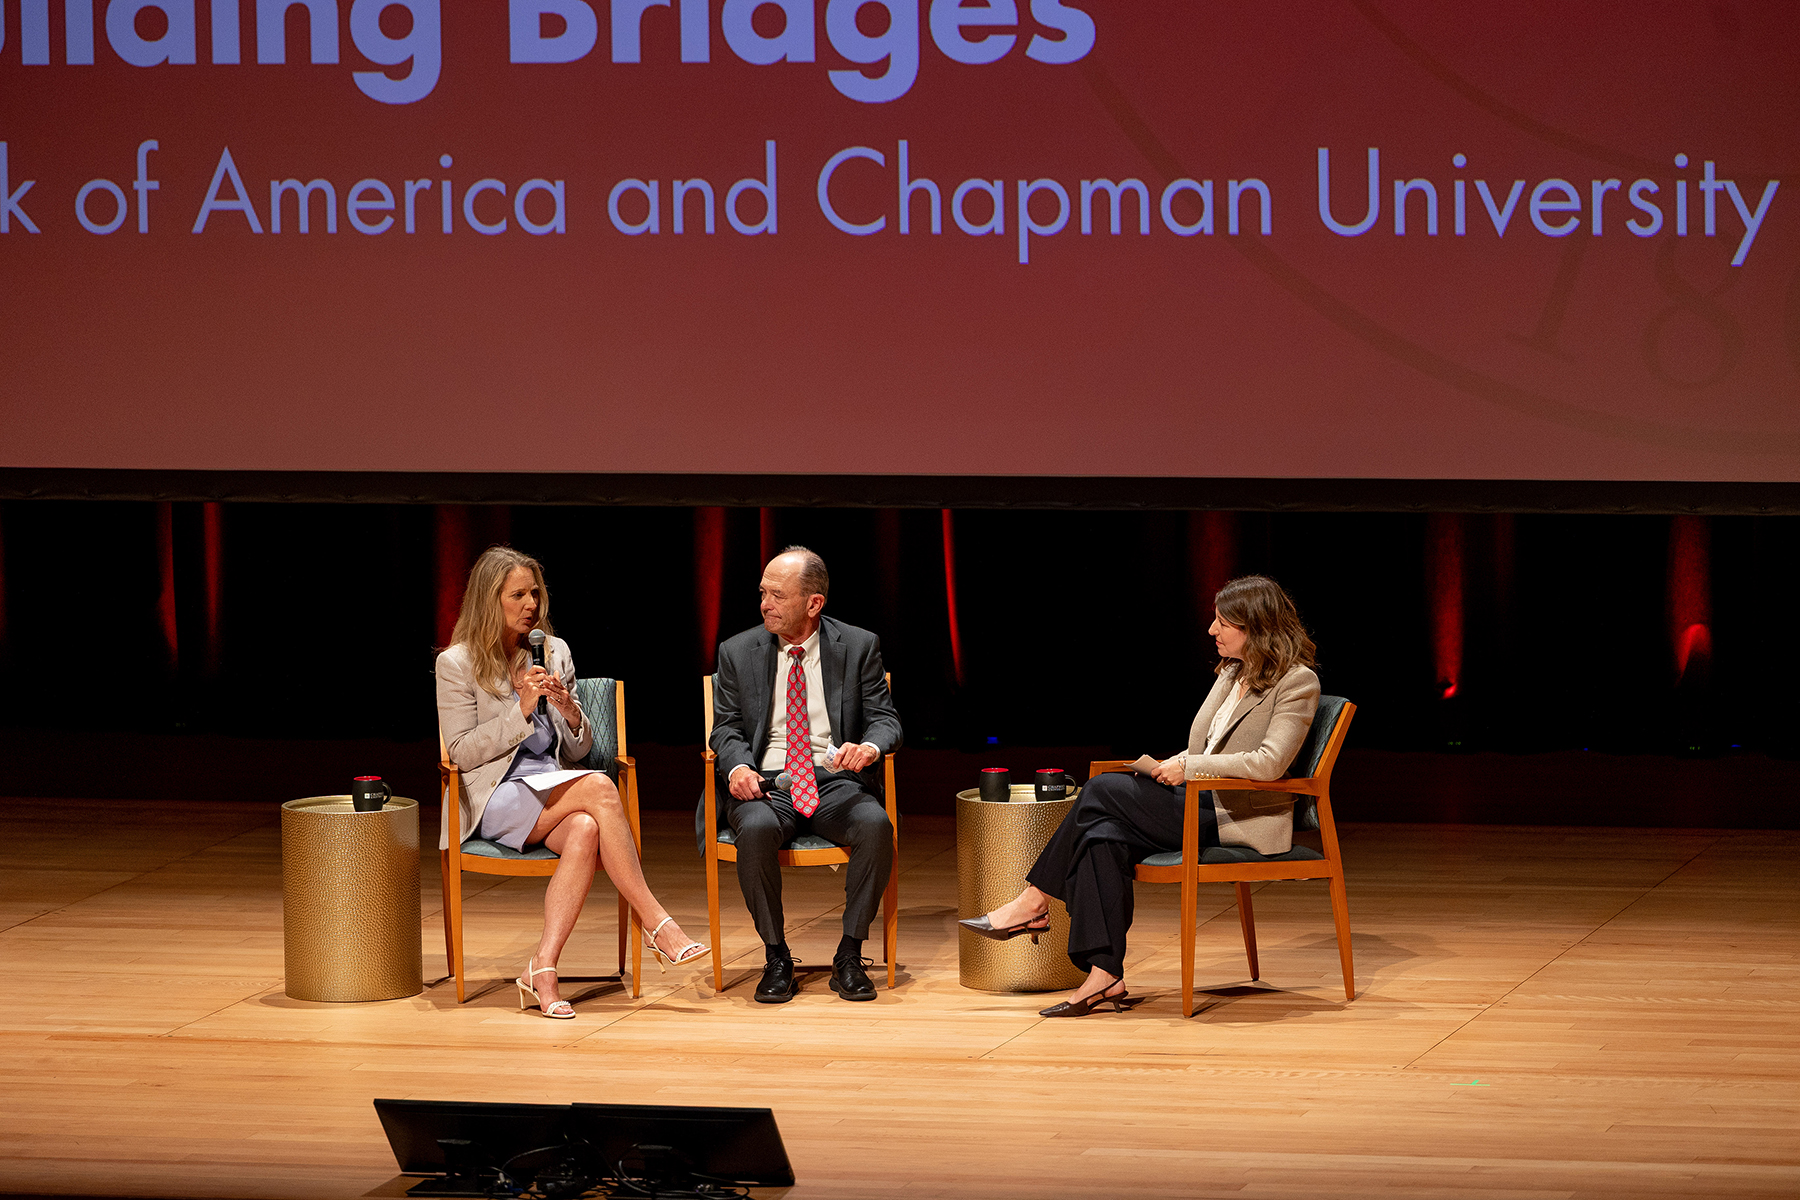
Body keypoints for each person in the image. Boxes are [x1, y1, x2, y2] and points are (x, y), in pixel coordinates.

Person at [962, 575, 1319, 1018]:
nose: (1212, 630)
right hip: (1196, 798)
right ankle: (1104, 975)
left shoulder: (1297, 683)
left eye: (1223, 622)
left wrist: (1188, 767)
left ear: (1256, 627)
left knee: (1099, 790)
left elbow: (1269, 763)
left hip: (1235, 814)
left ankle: (1034, 901)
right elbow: (1207, 746)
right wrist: (1171, 765)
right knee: (1102, 834)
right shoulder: (1232, 673)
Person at [437, 546, 707, 1019]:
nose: (531, 605)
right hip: (494, 794)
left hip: (553, 785)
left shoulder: (554, 650)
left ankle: (541, 968)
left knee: (586, 828)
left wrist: (569, 711)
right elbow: (461, 752)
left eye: (535, 593)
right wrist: (520, 709)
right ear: (489, 600)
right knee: (602, 788)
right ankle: (657, 923)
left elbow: (580, 752)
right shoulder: (456, 663)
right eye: (518, 595)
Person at [700, 546, 902, 1003]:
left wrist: (868, 748)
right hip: (768, 783)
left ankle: (849, 954)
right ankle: (776, 957)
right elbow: (726, 728)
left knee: (876, 826)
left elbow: (886, 721)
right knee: (754, 829)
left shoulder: (858, 645)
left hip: (834, 781)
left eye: (777, 595)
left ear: (814, 604)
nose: (764, 604)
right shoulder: (737, 651)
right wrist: (737, 767)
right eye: (762, 593)